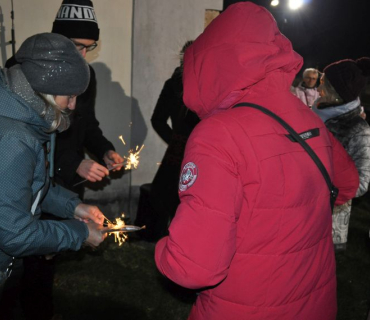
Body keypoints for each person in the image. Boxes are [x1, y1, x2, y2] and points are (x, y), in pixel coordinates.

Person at [154, 3, 359, 319]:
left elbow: (193, 266)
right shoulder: (308, 119)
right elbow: (347, 184)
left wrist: (163, 249)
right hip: (312, 301)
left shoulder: (218, 134)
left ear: (210, 64)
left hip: (243, 307)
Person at [0, 32, 106, 305]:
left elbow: (21, 188)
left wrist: (73, 207)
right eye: (69, 97)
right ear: (44, 91)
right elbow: (16, 234)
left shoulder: (20, 116)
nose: (72, 106)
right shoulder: (15, 138)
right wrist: (79, 233)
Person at [5, 0, 124, 199]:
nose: (83, 55)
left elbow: (85, 123)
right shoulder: (25, 69)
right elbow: (23, 136)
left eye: (89, 47)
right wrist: (73, 163)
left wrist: (104, 150)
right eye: (78, 46)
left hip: (68, 187)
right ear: (58, 38)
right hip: (31, 181)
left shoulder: (86, 74)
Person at [138, 40, 199, 241]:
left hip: (201, 150)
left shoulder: (207, 84)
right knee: (166, 198)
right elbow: (158, 119)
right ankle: (163, 240)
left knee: (192, 199)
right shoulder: (174, 84)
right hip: (180, 151)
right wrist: (175, 140)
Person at [312, 58, 370, 251]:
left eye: (323, 84)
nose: (318, 90)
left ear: (337, 93)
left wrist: (323, 189)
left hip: (331, 218)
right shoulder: (313, 114)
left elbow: (361, 182)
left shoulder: (357, 128)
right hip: (305, 209)